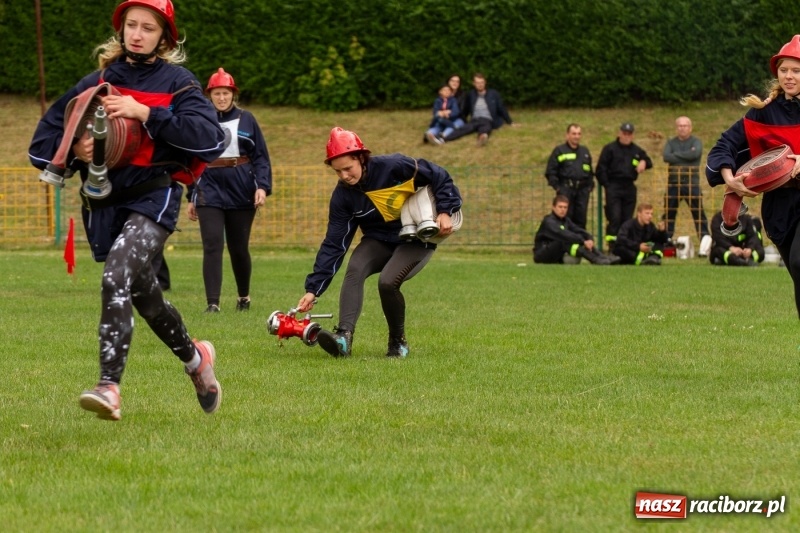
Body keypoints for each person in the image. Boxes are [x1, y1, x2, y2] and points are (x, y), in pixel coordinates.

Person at [28, 0, 226, 421]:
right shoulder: (98, 81)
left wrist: (147, 113)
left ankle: (109, 387)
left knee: (116, 273)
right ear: (121, 31)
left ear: (165, 37)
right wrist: (78, 149)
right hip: (105, 205)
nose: (137, 34)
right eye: (131, 26)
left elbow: (210, 139)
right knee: (147, 299)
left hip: (156, 196)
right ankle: (197, 361)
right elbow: (43, 144)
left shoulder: (179, 83)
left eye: (148, 28)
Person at [296, 127, 462, 358]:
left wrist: (445, 210)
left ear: (361, 159)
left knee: (387, 282)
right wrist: (313, 288)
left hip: (416, 239)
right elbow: (334, 244)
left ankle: (398, 342)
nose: (344, 176)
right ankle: (343, 339)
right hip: (378, 239)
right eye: (337, 171)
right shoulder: (343, 196)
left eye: (348, 168)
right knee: (355, 268)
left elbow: (439, 175)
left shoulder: (394, 166)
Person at [706, 35, 800, 316]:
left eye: (796, 70)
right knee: (798, 277)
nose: (789, 76)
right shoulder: (763, 113)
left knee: (798, 263)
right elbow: (725, 145)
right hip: (779, 208)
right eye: (784, 70)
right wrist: (728, 176)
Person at [187, 67, 272, 313]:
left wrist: (263, 187)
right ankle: (212, 303)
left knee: (238, 247)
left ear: (232, 94)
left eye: (225, 93)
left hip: (241, 189)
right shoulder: (201, 120)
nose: (221, 98)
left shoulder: (248, 119)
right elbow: (192, 160)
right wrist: (190, 196)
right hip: (208, 188)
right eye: (216, 93)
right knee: (212, 244)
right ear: (209, 95)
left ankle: (243, 297)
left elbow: (261, 157)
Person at [596, 122, 653, 248]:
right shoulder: (609, 149)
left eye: (629, 134)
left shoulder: (636, 150)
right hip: (613, 186)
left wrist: (643, 162)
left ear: (632, 135)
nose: (626, 136)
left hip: (629, 186)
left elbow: (649, 161)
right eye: (624, 133)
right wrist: (607, 185)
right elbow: (600, 169)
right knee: (615, 217)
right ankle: (612, 245)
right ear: (619, 133)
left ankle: (625, 245)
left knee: (627, 219)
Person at [662, 116, 711, 254]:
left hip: (691, 184)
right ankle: (666, 240)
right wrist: (686, 155)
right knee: (669, 213)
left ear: (690, 127)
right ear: (676, 128)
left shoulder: (696, 141)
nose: (682, 128)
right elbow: (666, 156)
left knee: (699, 213)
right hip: (673, 184)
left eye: (685, 125)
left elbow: (695, 154)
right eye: (680, 126)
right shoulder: (670, 142)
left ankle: (704, 242)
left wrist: (676, 155)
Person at [533, 195, 617, 265]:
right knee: (564, 240)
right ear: (553, 207)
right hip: (542, 254)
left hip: (557, 253)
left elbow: (578, 230)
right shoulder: (549, 221)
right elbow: (563, 234)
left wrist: (589, 238)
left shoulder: (566, 220)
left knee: (571, 239)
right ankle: (595, 260)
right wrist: (582, 241)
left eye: (565, 207)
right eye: (560, 207)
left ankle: (602, 257)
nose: (563, 210)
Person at [439, 72, 514, 146]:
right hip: (474, 120)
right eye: (477, 83)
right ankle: (443, 139)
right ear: (474, 83)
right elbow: (466, 109)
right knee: (463, 129)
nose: (480, 84)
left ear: (485, 82)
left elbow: (501, 108)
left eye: (482, 82)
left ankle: (482, 137)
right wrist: (461, 118)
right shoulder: (471, 94)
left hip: (488, 119)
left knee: (485, 127)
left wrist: (510, 122)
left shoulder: (493, 94)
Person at [545, 123, 594, 229]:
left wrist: (589, 187)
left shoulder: (585, 152)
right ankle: (565, 244)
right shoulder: (559, 151)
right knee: (565, 219)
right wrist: (558, 187)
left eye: (579, 134)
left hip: (582, 191)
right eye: (574, 134)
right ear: (567, 135)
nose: (576, 136)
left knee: (581, 219)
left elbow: (590, 172)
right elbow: (550, 171)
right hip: (566, 190)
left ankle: (579, 244)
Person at [423, 74, 466, 143]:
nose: (455, 83)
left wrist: (449, 113)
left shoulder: (462, 95)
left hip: (455, 118)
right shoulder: (439, 99)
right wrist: (441, 113)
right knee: (438, 125)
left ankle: (441, 136)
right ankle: (429, 134)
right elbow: (436, 111)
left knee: (452, 126)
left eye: (457, 81)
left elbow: (460, 111)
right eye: (452, 81)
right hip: (442, 119)